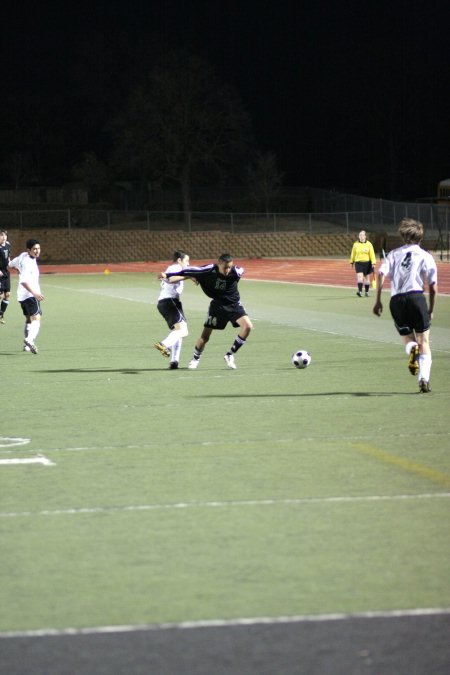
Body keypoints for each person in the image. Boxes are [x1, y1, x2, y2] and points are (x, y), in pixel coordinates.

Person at [373, 218, 437, 393]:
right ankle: (424, 379)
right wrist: (430, 309)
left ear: (403, 236)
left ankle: (412, 348)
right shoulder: (425, 255)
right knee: (424, 341)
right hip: (416, 298)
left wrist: (377, 300)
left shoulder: (394, 254)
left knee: (408, 339)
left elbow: (380, 274)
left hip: (397, 300)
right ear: (421, 237)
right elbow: (433, 286)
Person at [161, 253, 252, 370]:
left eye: (230, 267)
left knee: (247, 327)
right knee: (205, 337)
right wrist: (168, 274)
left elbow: (240, 270)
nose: (228, 270)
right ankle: (195, 358)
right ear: (219, 264)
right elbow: (190, 271)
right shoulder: (209, 269)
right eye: (225, 267)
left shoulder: (237, 272)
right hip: (217, 306)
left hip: (234, 305)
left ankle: (230, 355)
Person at [154, 250, 190, 369]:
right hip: (170, 302)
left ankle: (174, 361)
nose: (188, 263)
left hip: (165, 302)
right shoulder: (175, 268)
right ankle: (164, 344)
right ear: (179, 260)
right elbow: (171, 279)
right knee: (183, 331)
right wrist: (187, 276)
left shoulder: (173, 268)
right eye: (187, 261)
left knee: (178, 331)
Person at [9, 238, 44, 354]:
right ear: (29, 250)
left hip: (22, 296)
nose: (37, 251)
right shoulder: (28, 262)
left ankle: (27, 346)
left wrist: (17, 269)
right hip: (30, 295)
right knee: (37, 318)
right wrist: (35, 293)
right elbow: (24, 281)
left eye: (38, 248)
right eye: (34, 249)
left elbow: (10, 264)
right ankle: (29, 340)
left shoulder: (23, 256)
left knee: (29, 319)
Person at [349, 230, 377, 297]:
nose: (361, 236)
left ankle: (366, 292)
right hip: (358, 263)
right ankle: (360, 291)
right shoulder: (355, 244)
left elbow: (372, 254)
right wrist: (351, 262)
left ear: (365, 236)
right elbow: (353, 253)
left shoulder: (369, 244)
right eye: (360, 235)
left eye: (362, 235)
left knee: (367, 279)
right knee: (360, 277)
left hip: (367, 263)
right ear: (358, 236)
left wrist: (373, 263)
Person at [0, 229, 11, 324]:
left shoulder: (7, 244)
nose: (4, 237)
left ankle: (1, 314)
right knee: (0, 295)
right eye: (2, 235)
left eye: (5, 235)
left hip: (6, 272)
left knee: (7, 295)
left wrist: (11, 264)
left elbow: (8, 257)